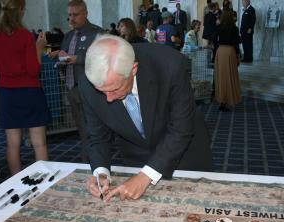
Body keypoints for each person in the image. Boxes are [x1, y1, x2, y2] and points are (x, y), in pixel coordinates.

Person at [79, 34, 212, 201]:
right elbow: (97, 135)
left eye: (114, 89)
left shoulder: (170, 65)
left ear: (133, 69)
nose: (109, 98)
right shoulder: (89, 84)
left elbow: (180, 129)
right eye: (102, 91)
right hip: (136, 158)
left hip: (185, 156)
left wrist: (146, 176)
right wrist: (101, 172)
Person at [0, 0, 50, 175]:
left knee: (12, 145)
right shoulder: (26, 35)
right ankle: (43, 184)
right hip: (30, 92)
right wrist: (39, 48)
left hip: (7, 95)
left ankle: (15, 185)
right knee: (39, 143)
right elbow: (34, 70)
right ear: (21, 10)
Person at [49, 0, 103, 163]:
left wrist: (77, 59)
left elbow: (104, 58)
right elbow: (67, 60)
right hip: (72, 89)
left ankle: (96, 162)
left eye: (75, 15)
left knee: (96, 130)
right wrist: (61, 57)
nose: (71, 19)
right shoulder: (68, 36)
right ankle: (89, 161)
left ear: (86, 14)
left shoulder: (98, 34)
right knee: (82, 129)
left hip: (91, 90)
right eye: (69, 15)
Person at [213, 10, 241, 112]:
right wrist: (238, 55)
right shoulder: (234, 28)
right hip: (229, 52)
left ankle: (222, 101)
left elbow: (214, 41)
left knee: (220, 77)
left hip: (220, 52)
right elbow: (236, 43)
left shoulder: (218, 27)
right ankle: (230, 99)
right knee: (230, 76)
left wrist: (214, 54)